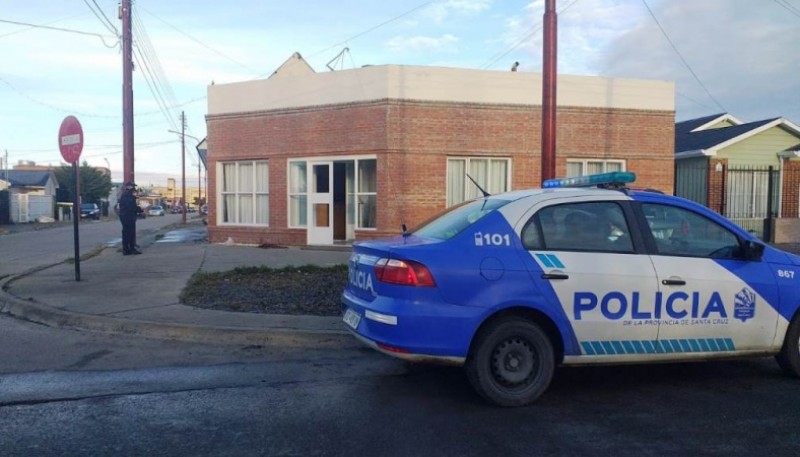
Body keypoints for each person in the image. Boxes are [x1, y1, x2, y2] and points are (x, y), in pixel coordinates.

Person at [118, 181, 143, 255]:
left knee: (126, 233)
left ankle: (126, 249)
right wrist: (140, 209)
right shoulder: (128, 196)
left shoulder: (124, 195)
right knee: (130, 233)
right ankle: (130, 249)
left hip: (124, 216)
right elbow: (131, 207)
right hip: (128, 216)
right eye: (133, 186)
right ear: (129, 187)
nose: (134, 188)